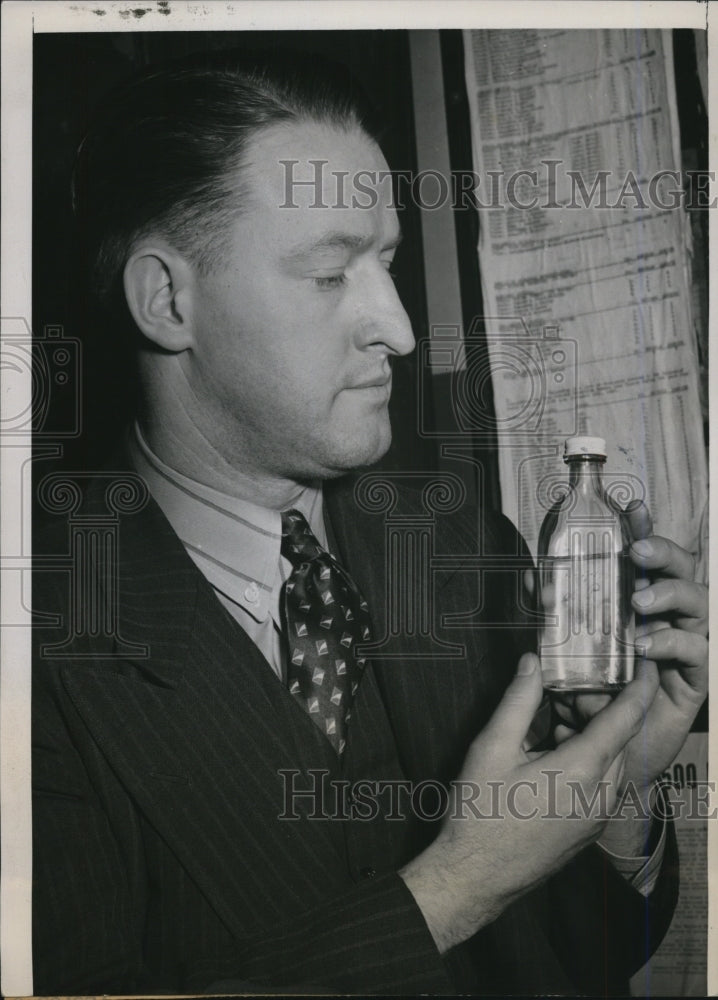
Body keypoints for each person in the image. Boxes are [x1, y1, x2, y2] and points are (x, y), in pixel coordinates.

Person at [32, 48, 708, 996]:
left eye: (386, 262)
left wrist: (615, 789)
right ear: (168, 300)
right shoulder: (35, 637)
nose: (398, 328)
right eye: (328, 273)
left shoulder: (462, 544)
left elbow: (580, 958)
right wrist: (456, 887)